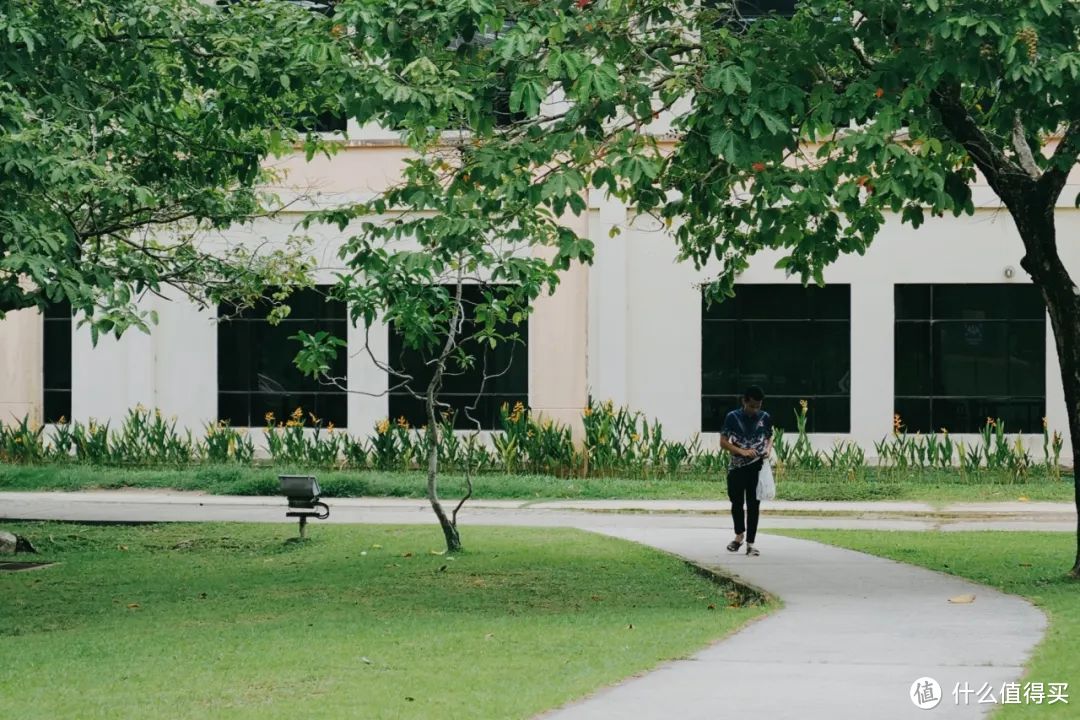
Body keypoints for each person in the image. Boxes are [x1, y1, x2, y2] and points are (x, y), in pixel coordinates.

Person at [718, 386, 773, 557]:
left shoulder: (765, 417)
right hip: (737, 467)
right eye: (752, 406)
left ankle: (751, 543)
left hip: (756, 467)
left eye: (758, 406)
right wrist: (742, 452)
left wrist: (768, 449)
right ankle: (738, 536)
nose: (755, 410)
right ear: (744, 401)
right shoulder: (732, 417)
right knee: (736, 503)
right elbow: (723, 442)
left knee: (754, 505)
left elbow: (770, 436)